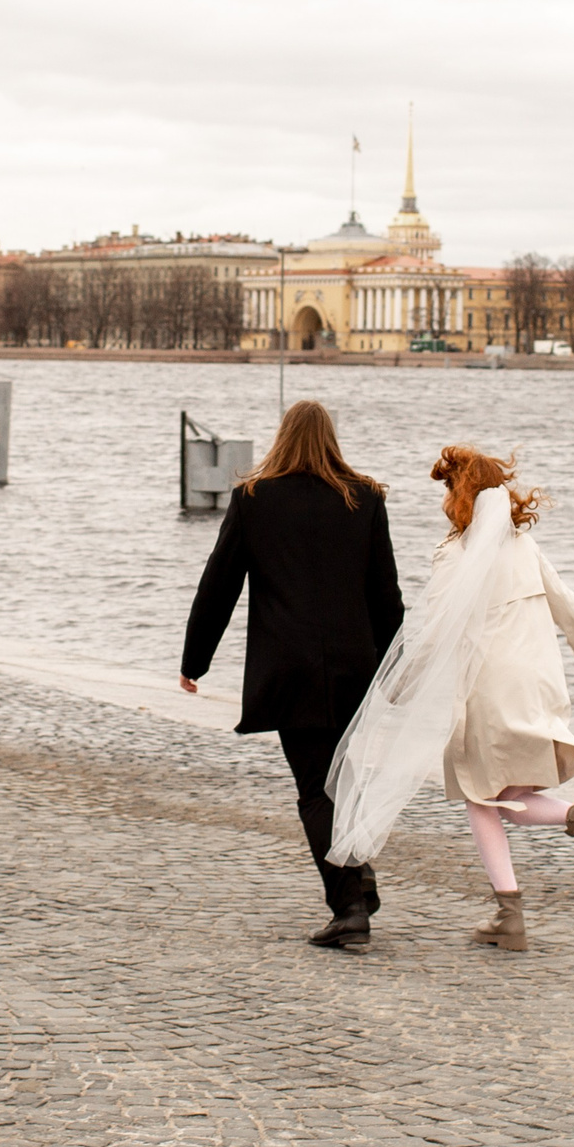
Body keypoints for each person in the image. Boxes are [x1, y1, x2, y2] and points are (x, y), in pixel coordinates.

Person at [324, 446, 574, 953]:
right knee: (502, 799)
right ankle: (514, 908)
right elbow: (568, 608)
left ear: (460, 494)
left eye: (448, 489)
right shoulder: (524, 546)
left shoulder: (455, 554)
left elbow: (433, 630)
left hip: (486, 693)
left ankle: (573, 833)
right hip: (539, 685)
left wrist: (397, 689)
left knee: (483, 797)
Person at [181, 400, 405, 949]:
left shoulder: (255, 500)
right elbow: (387, 597)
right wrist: (399, 667)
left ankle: (349, 905)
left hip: (289, 669)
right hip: (357, 669)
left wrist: (194, 661)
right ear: (332, 439)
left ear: (281, 439)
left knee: (314, 789)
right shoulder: (365, 499)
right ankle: (357, 873)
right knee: (345, 782)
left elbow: (219, 586)